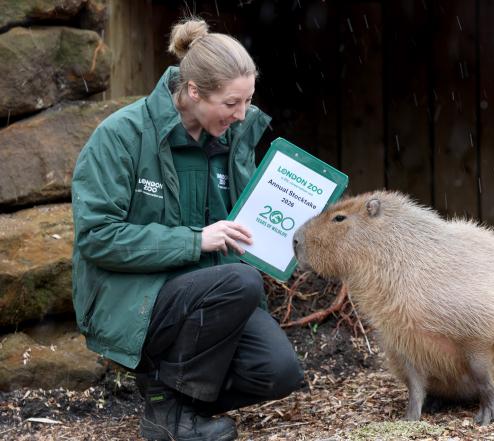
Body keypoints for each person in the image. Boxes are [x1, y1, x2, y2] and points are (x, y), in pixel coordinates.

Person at [71, 17, 304, 441]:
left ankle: (173, 402)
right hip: (134, 296)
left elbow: (246, 229)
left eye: (248, 101)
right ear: (193, 92)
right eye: (232, 103)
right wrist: (195, 240)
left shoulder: (233, 139)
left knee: (278, 372)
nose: (241, 115)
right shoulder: (122, 136)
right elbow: (97, 238)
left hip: (211, 297)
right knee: (240, 280)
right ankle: (168, 411)